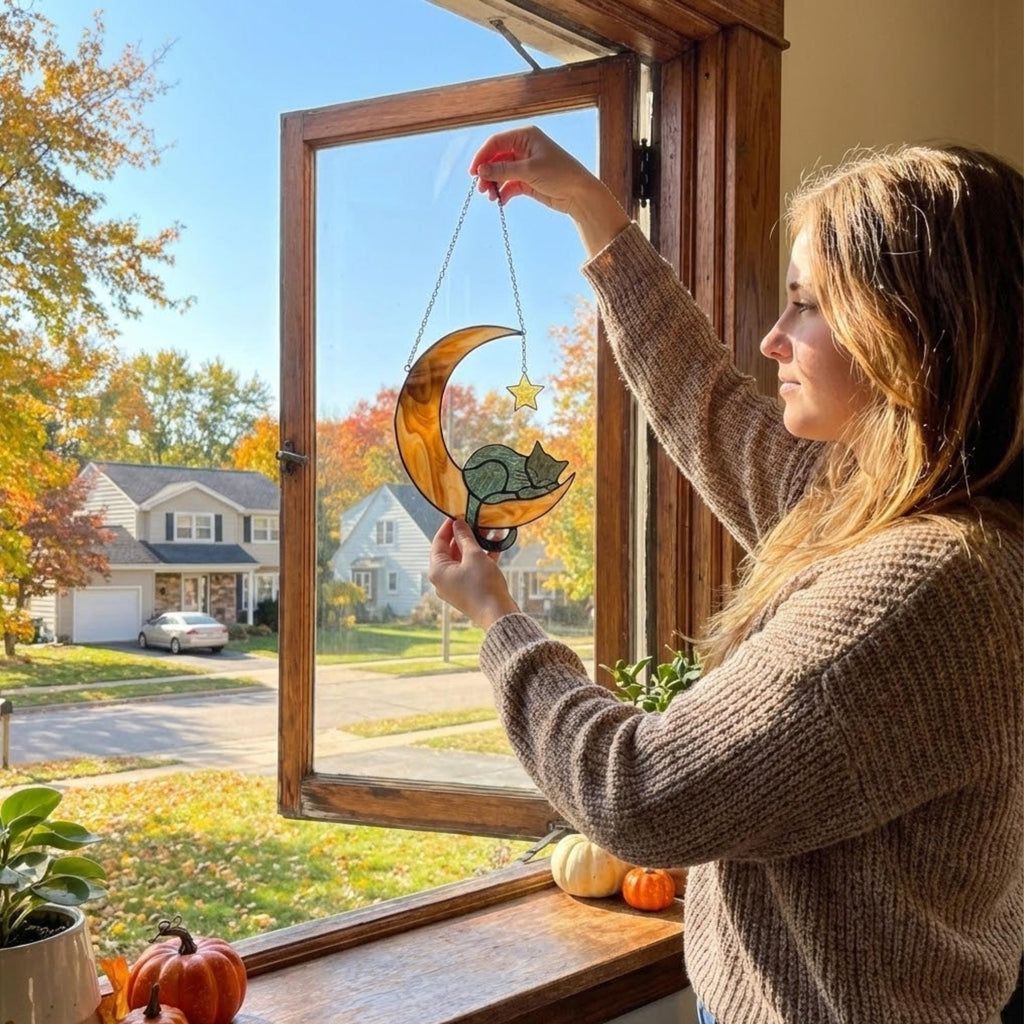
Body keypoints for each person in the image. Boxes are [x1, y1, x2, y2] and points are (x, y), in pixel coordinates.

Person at [428, 126, 1023, 1023]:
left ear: (908, 330)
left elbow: (636, 793)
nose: (774, 339)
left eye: (808, 305)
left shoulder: (928, 584)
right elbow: (703, 403)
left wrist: (498, 622)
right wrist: (593, 210)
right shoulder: (875, 505)